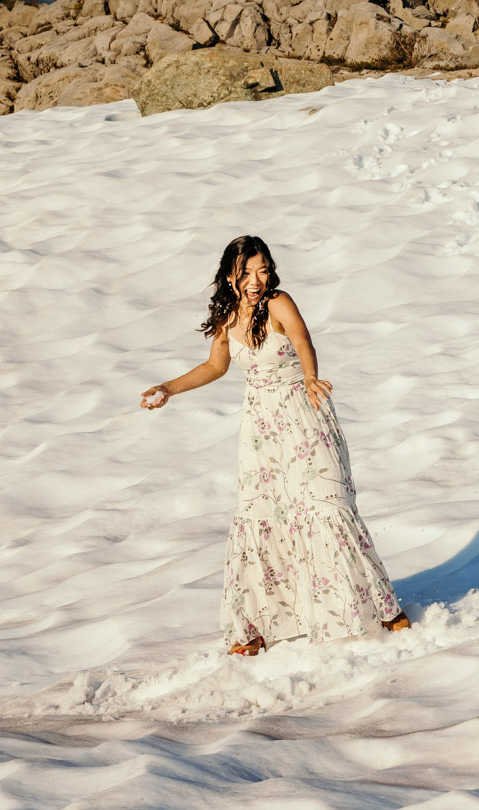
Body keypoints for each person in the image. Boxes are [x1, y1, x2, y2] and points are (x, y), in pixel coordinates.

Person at [141, 235, 411, 654]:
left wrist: (309, 376)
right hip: (261, 429)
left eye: (262, 270)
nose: (256, 280)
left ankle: (382, 609)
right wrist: (169, 388)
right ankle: (259, 623)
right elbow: (216, 365)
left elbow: (304, 342)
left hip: (304, 414)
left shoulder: (280, 302)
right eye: (246, 272)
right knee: (263, 515)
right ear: (230, 274)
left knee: (326, 504)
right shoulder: (229, 316)